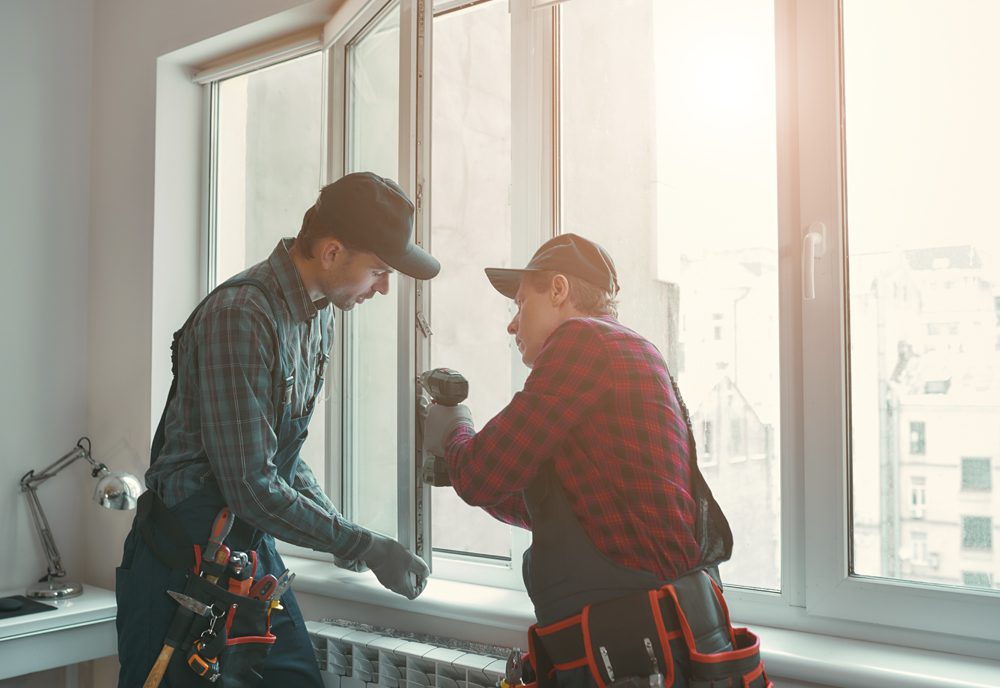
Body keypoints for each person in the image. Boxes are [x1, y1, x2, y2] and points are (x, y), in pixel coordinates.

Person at [117, 172, 436, 687]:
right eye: (378, 271)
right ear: (331, 252)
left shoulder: (317, 315)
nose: (382, 289)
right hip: (183, 556)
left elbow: (282, 455)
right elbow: (251, 484)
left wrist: (336, 532)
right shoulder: (241, 314)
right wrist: (363, 545)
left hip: (245, 547)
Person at [424, 234, 769, 688]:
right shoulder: (634, 352)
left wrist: (454, 428)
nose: (513, 325)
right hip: (665, 636)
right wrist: (457, 464)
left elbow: (483, 475)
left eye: (520, 303)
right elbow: (553, 507)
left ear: (559, 290)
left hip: (637, 643)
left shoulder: (583, 340)